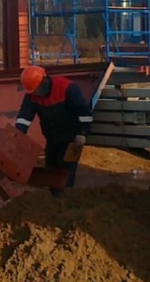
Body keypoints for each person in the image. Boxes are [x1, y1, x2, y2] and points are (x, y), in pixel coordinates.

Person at [14, 65, 93, 193]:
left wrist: (82, 134)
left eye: (35, 90)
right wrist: (18, 135)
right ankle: (53, 199)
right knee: (51, 172)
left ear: (43, 83)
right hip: (52, 139)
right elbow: (24, 117)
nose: (34, 94)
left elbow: (84, 113)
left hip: (73, 140)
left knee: (65, 175)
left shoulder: (67, 88)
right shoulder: (32, 95)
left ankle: (64, 200)